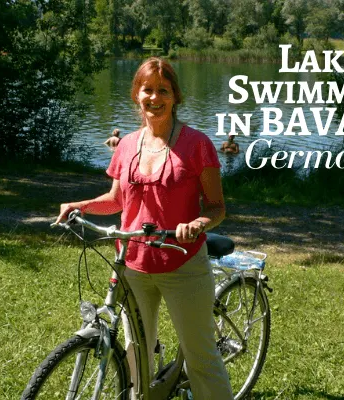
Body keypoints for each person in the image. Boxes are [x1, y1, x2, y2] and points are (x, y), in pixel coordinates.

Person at [55, 57, 233, 400]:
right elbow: (116, 200)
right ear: (137, 95)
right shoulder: (126, 145)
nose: (155, 97)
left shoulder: (197, 145)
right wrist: (81, 205)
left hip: (183, 263)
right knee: (137, 356)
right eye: (147, 90)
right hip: (134, 264)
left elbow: (216, 207)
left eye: (163, 90)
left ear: (175, 96)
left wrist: (197, 223)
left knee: (201, 358)